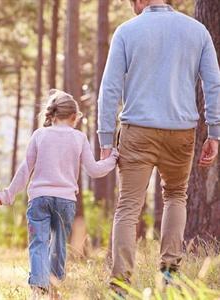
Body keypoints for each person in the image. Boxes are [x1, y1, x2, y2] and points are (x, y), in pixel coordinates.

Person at [97, 0, 220, 294]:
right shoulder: (197, 30)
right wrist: (214, 132)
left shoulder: (127, 31)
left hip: (137, 131)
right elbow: (213, 84)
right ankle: (169, 276)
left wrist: (105, 139)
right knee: (176, 196)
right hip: (182, 131)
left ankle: (120, 284)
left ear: (140, 0)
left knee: (128, 207)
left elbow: (110, 87)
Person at [0, 89, 118, 299]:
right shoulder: (79, 138)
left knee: (38, 243)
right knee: (59, 246)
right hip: (65, 201)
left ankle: (39, 289)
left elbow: (26, 169)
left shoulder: (39, 135)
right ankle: (55, 288)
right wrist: (113, 158)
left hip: (39, 199)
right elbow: (95, 170)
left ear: (51, 115)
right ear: (74, 116)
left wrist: (8, 195)